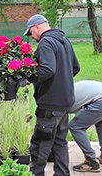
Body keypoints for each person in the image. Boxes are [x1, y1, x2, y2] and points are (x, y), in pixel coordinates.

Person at [24, 14, 80, 176]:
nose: (32, 37)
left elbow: (47, 70)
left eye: (31, 33)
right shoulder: (64, 40)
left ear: (37, 27)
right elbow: (75, 68)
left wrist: (31, 76)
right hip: (65, 102)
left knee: (40, 144)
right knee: (60, 143)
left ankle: (36, 174)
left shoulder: (46, 42)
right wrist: (61, 83)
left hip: (49, 105)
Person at [69, 80, 102, 172]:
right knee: (100, 123)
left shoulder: (61, 99)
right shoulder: (68, 89)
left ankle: (91, 161)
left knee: (75, 126)